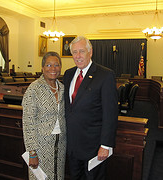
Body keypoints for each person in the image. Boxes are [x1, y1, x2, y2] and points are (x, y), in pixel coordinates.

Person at [63, 36, 118, 180]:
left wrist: (105, 145)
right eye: (74, 52)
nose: (78, 56)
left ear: (90, 52)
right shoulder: (68, 74)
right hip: (72, 145)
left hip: (94, 147)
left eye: (82, 51)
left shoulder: (105, 75)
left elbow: (110, 113)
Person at [22, 51, 66, 180]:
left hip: (61, 143)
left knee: (58, 177)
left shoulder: (63, 88)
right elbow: (28, 122)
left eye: (56, 65)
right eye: (48, 65)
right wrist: (32, 152)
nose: (53, 69)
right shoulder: (34, 89)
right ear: (42, 68)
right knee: (41, 178)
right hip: (40, 145)